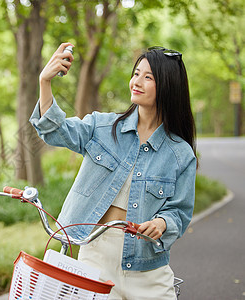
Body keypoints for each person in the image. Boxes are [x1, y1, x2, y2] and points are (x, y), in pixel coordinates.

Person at [29, 43, 197, 299]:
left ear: (167, 86)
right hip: (95, 257)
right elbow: (55, 131)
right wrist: (45, 82)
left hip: (148, 264)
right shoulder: (102, 126)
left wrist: (162, 223)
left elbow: (179, 211)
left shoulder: (180, 154)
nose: (136, 81)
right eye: (136, 73)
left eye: (148, 77)